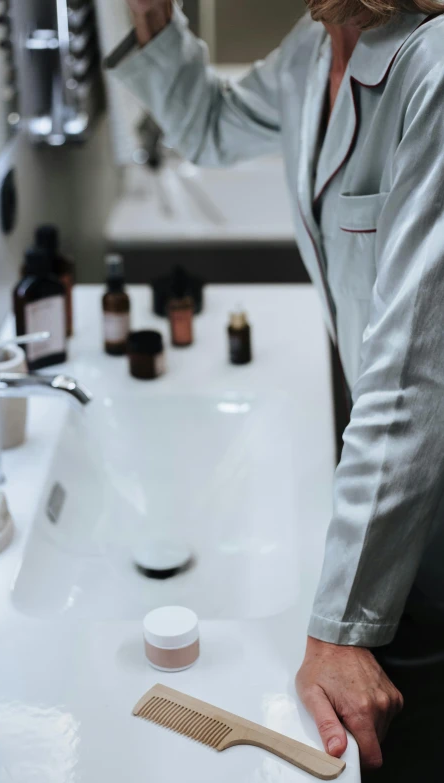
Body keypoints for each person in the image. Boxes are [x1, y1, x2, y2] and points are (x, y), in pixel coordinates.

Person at [107, 1, 444, 778]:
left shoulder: (429, 67)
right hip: (397, 454)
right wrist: (154, 18)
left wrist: (337, 633)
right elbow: (214, 127)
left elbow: (414, 369)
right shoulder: (315, 42)